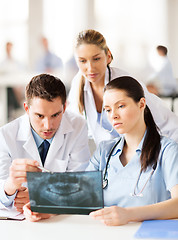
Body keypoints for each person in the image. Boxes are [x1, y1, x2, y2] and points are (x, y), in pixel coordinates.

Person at [23, 76, 178, 224]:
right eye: (108, 110)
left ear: (141, 104)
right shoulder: (105, 151)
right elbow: (81, 195)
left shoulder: (168, 151)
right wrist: (47, 208)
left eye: (121, 106)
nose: (114, 116)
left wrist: (129, 215)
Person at [67, 29, 178, 147]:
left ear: (108, 56)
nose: (90, 68)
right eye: (83, 61)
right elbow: (73, 128)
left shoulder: (125, 82)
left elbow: (166, 124)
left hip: (145, 151)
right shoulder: (78, 84)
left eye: (96, 59)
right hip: (111, 157)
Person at [0, 73, 90, 213]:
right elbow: (2, 188)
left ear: (64, 108)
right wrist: (11, 183)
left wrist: (39, 197)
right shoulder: (6, 135)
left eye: (55, 115)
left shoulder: (78, 126)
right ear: (27, 108)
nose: (48, 125)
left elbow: (80, 184)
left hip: (61, 219)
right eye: (39, 116)